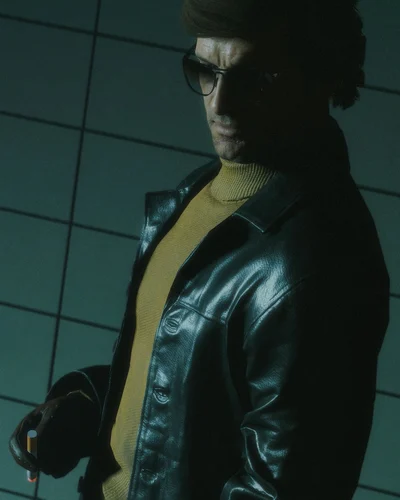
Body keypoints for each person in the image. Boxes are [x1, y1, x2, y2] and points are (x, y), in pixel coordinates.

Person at [9, 0, 390, 499]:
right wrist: (85, 405)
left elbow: (284, 489)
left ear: (316, 74)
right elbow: (188, 393)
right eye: (205, 71)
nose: (220, 103)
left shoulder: (319, 258)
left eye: (254, 77)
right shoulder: (204, 191)